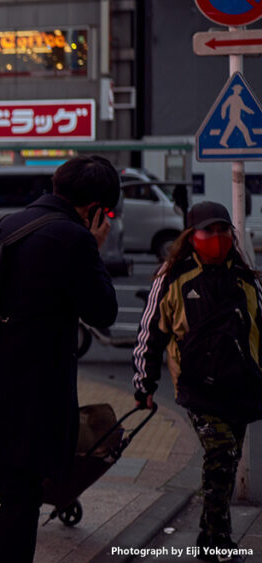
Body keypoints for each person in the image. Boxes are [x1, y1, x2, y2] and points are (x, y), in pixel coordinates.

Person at [0, 155, 119, 563]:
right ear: (97, 209)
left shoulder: (9, 224)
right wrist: (96, 248)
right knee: (20, 493)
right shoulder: (74, 238)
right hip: (28, 395)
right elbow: (102, 311)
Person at [133, 201, 262, 563]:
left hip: (240, 386)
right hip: (197, 388)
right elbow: (149, 336)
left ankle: (207, 537)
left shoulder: (245, 278)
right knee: (220, 456)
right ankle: (217, 543)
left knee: (228, 460)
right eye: (209, 231)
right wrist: (144, 384)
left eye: (224, 230)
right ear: (192, 236)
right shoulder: (172, 278)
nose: (218, 238)